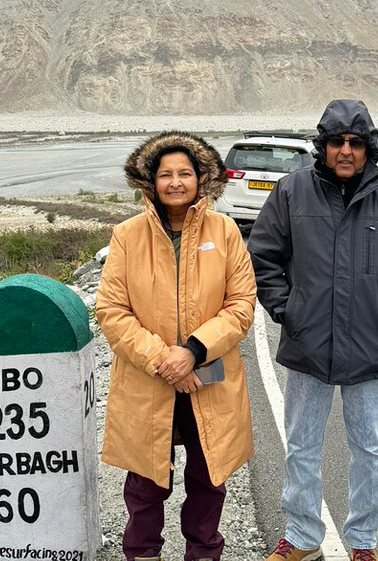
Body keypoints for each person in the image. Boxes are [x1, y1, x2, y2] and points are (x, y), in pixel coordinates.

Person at [248, 100, 378, 561]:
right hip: (307, 345)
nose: (346, 151)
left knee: (369, 449)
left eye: (355, 142)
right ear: (323, 146)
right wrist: (288, 310)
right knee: (301, 446)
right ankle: (302, 536)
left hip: (370, 348)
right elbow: (263, 257)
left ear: (369, 147)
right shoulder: (292, 191)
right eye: (337, 141)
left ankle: (364, 542)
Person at [96, 131, 257, 561]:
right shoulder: (127, 235)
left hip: (209, 375)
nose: (175, 182)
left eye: (184, 173)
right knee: (146, 480)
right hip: (148, 377)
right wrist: (164, 359)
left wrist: (193, 351)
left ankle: (203, 553)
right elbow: (111, 310)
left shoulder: (225, 232)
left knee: (208, 478)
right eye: (165, 174)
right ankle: (143, 553)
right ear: (150, 181)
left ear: (201, 178)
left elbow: (241, 304)